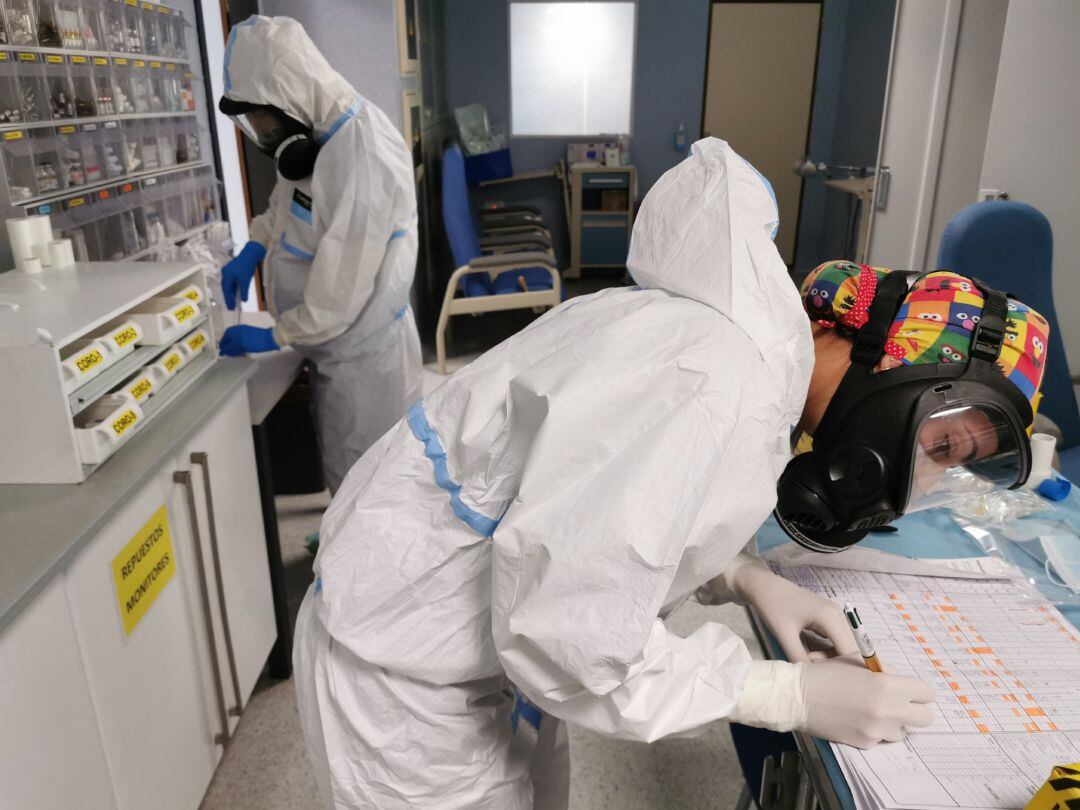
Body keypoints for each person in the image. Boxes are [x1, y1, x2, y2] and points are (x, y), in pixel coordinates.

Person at [293, 139, 1049, 809]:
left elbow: (605, 518)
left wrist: (742, 575)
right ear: (898, 364)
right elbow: (568, 637)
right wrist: (780, 693)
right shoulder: (714, 380)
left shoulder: (748, 359)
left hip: (467, 649)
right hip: (404, 683)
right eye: (942, 446)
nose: (921, 475)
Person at [216, 15, 422, 494]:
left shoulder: (364, 157)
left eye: (260, 119)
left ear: (286, 93)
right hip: (328, 345)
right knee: (342, 457)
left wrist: (278, 334)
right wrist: (256, 244)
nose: (260, 133)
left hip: (362, 355)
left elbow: (340, 295)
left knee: (366, 471)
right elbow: (286, 206)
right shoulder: (313, 134)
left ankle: (358, 563)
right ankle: (340, 532)